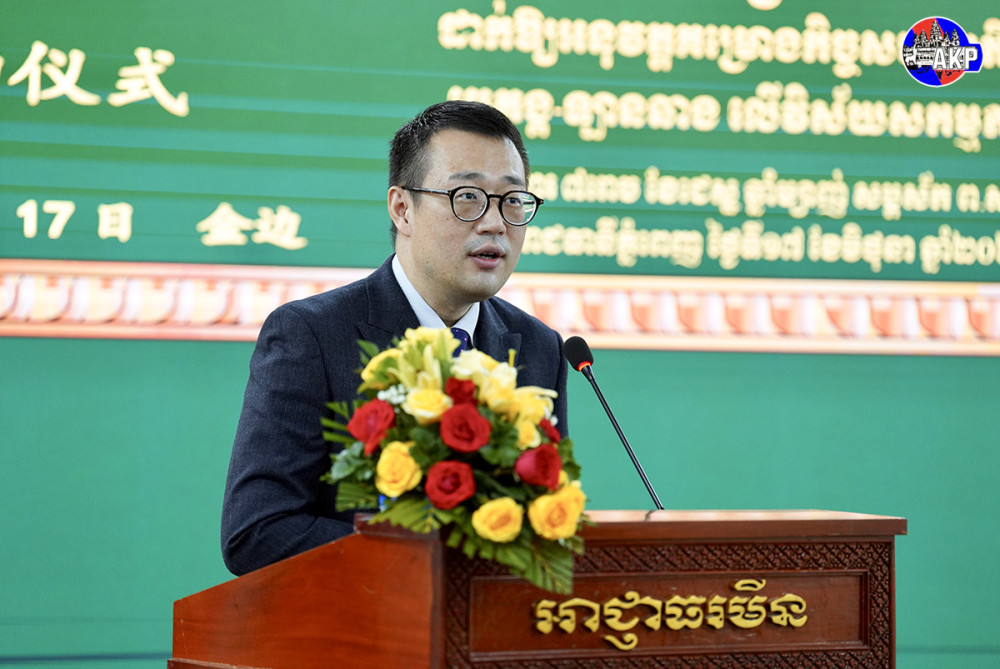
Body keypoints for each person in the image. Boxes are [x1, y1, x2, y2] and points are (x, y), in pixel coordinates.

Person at [221, 100, 569, 576]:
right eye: (468, 196)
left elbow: (542, 524)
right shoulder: (313, 336)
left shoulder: (538, 347)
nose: (494, 223)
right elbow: (258, 532)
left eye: (512, 200)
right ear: (403, 209)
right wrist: (425, 560)